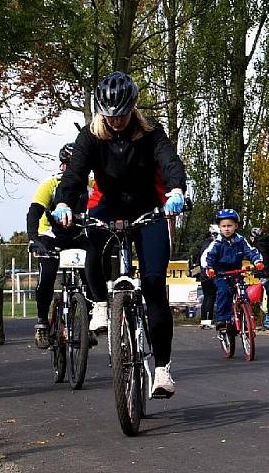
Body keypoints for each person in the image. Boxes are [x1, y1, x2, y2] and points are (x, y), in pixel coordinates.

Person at [53, 71, 187, 398]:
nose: (116, 121)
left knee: (155, 285)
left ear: (133, 108)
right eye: (110, 115)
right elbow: (75, 176)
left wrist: (176, 191)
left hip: (147, 209)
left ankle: (162, 370)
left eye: (122, 114)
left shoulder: (151, 132)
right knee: (93, 250)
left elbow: (170, 162)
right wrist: (62, 203)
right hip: (109, 207)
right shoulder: (90, 137)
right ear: (102, 111)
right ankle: (100, 304)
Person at [26, 143, 90, 349]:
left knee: (93, 273)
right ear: (62, 166)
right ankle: (42, 322)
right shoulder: (50, 184)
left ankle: (88, 323)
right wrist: (34, 239)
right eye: (68, 165)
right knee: (46, 278)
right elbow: (34, 212)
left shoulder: (90, 185)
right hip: (51, 236)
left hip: (77, 236)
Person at [203, 209, 264, 332]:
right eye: (223, 226)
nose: (227, 229)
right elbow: (208, 256)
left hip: (236, 272)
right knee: (224, 291)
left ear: (236, 226)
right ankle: (223, 320)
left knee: (244, 294)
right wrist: (209, 268)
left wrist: (257, 261)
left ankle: (245, 319)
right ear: (219, 227)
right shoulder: (217, 242)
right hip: (220, 273)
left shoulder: (241, 240)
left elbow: (251, 251)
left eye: (229, 226)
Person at [249, 227, 269, 330]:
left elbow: (264, 259)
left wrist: (264, 272)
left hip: (265, 273)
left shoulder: (259, 244)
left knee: (266, 297)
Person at [192, 225, 219, 329]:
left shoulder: (204, 243)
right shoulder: (212, 244)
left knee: (207, 297)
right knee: (210, 297)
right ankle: (207, 321)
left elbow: (198, 258)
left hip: (204, 274)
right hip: (209, 273)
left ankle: (204, 320)